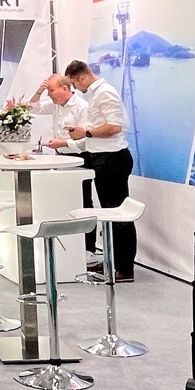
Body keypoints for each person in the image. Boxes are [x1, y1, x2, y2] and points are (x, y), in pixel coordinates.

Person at [65, 59, 137, 282]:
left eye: (74, 83)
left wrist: (86, 132)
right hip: (102, 158)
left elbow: (114, 127)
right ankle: (112, 261)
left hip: (112, 159)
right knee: (109, 213)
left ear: (83, 77)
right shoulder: (96, 94)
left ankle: (125, 268)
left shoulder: (105, 93)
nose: (75, 88)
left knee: (118, 214)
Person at [28, 74, 101, 270]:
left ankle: (89, 248)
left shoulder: (82, 107)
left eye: (52, 90)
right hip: (61, 157)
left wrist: (63, 143)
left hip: (79, 157)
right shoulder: (55, 105)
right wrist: (39, 90)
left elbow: (85, 139)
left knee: (83, 202)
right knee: (63, 201)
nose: (49, 95)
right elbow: (32, 107)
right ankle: (69, 245)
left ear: (66, 89)